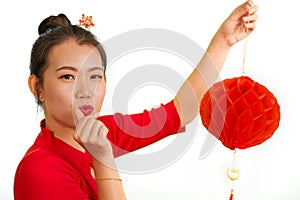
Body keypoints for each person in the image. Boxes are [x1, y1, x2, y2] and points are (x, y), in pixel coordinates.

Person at [14, 1, 258, 199]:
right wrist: (103, 157)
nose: (85, 91)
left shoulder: (103, 131)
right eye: (68, 76)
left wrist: (224, 42)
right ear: (38, 88)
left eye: (95, 76)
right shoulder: (40, 170)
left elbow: (180, 111)